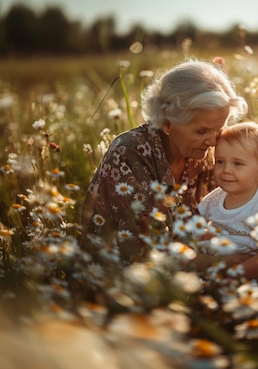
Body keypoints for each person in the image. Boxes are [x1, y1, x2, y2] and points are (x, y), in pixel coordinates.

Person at [81, 58, 247, 262]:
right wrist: (234, 262)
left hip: (190, 266)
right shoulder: (129, 153)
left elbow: (221, 219)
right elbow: (142, 252)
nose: (213, 141)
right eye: (202, 130)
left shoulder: (202, 153)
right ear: (168, 124)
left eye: (219, 129)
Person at [198, 121, 258, 282]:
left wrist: (233, 275)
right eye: (220, 161)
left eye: (237, 163)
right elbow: (195, 229)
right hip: (215, 267)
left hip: (249, 275)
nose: (226, 170)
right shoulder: (213, 199)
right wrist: (202, 236)